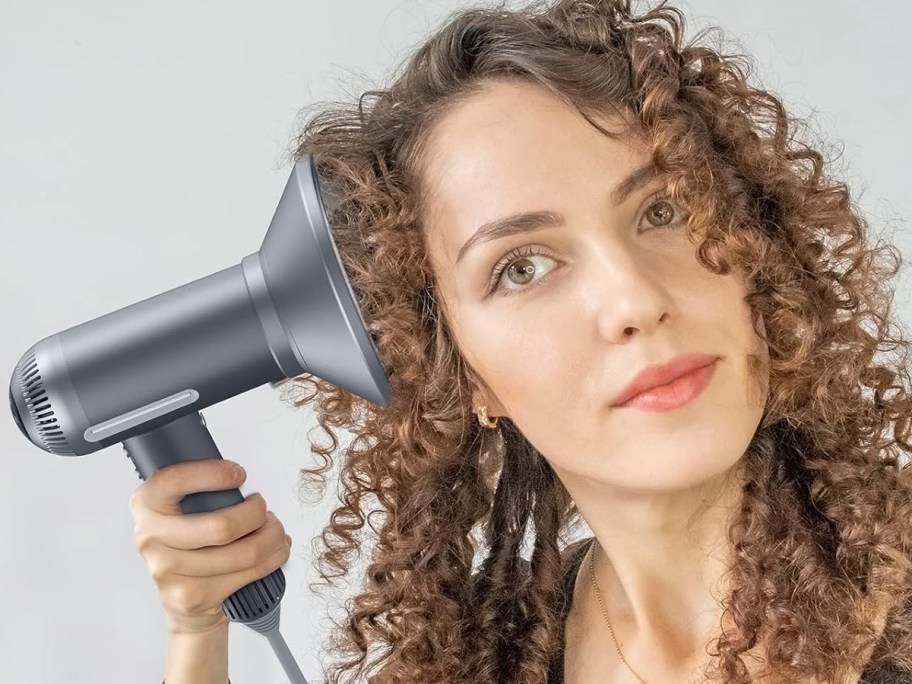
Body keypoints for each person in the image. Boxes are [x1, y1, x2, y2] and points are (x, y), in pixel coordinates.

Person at [130, 0, 912, 682]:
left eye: (662, 211)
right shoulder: (490, 661)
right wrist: (200, 641)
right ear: (464, 375)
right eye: (523, 266)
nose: (634, 299)